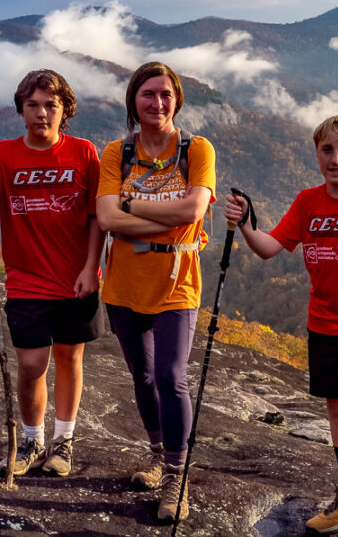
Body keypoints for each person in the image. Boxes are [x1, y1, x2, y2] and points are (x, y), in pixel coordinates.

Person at [223, 114, 338, 537]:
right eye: (328, 150)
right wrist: (247, 224)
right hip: (323, 327)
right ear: (316, 154)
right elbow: (271, 247)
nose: (336, 158)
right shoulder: (308, 202)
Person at [0, 69, 104, 478]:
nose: (42, 113)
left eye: (50, 106)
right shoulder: (3, 154)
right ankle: (32, 438)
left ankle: (64, 440)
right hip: (27, 280)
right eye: (33, 105)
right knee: (32, 364)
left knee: (70, 358)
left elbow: (97, 216)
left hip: (76, 278)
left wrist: (92, 267)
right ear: (20, 110)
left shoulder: (83, 152)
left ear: (64, 110)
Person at [94, 61, 215, 523]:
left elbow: (194, 209)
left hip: (177, 283)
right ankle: (158, 454)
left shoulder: (197, 149)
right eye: (148, 94)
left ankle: (176, 478)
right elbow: (105, 219)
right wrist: (164, 216)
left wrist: (130, 204)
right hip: (123, 282)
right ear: (134, 101)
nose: (158, 102)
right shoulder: (117, 152)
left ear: (177, 99)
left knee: (171, 377)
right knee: (143, 379)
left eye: (166, 94)